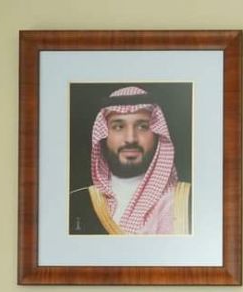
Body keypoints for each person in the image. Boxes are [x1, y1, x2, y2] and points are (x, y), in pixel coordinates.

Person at [69, 86, 192, 235]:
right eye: (118, 127)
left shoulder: (190, 201)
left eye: (142, 127)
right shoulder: (74, 204)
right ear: (103, 135)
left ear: (157, 134)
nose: (130, 138)